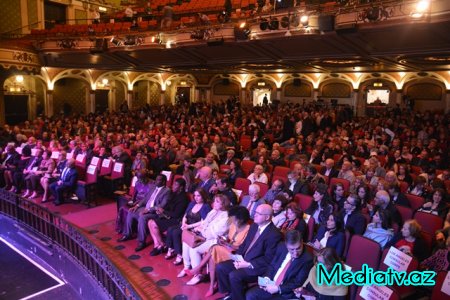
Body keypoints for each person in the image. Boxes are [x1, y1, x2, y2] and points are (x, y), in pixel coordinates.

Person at [216, 204, 282, 300]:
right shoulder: (254, 226)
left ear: (267, 217)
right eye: (255, 212)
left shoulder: (274, 234)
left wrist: (248, 264)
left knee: (234, 275)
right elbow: (244, 245)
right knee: (221, 267)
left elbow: (268, 259)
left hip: (256, 267)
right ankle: (230, 294)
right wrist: (237, 257)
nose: (254, 215)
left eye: (258, 214)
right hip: (243, 259)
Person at [186, 206, 250, 296]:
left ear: (242, 219)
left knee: (214, 248)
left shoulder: (248, 229)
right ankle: (211, 286)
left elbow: (242, 248)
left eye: (234, 219)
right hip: (226, 249)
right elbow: (228, 237)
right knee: (213, 255)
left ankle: (199, 269)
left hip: (236, 254)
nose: (233, 221)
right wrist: (223, 240)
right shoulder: (233, 225)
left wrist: (227, 244)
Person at [246, 230, 314, 300]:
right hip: (271, 284)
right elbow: (272, 266)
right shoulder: (281, 247)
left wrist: (278, 288)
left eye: (298, 248)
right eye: (292, 249)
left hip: (284, 292)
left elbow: (297, 282)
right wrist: (267, 278)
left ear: (302, 242)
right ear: (286, 245)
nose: (295, 253)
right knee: (250, 295)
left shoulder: (307, 259)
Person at [178, 194, 230, 285]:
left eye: (217, 201)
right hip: (204, 235)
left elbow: (214, 233)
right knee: (186, 242)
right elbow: (204, 222)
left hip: (215, 241)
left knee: (194, 249)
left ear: (223, 204)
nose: (214, 203)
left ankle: (197, 275)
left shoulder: (226, 217)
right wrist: (197, 228)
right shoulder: (213, 211)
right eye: (214, 200)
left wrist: (202, 229)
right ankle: (186, 267)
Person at [117, 174, 171, 252]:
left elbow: (162, 205)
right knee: (131, 211)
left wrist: (148, 210)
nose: (156, 181)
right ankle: (127, 234)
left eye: (158, 180)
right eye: (156, 179)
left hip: (155, 212)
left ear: (163, 181)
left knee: (143, 217)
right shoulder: (153, 187)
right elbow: (145, 199)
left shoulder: (167, 191)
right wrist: (137, 206)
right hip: (145, 208)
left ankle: (141, 242)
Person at [165, 188, 211, 265]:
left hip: (194, 228)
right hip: (186, 224)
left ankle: (179, 254)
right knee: (170, 229)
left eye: (198, 196)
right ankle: (171, 248)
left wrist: (188, 226)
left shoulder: (205, 206)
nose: (196, 197)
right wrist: (183, 224)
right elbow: (185, 215)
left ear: (203, 196)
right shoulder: (192, 204)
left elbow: (203, 222)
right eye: (195, 195)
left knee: (176, 232)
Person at [147, 178, 190, 256]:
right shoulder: (173, 194)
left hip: (176, 220)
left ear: (181, 187)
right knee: (150, 222)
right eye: (173, 184)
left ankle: (162, 245)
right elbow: (168, 206)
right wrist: (161, 211)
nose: (173, 186)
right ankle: (157, 245)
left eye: (175, 185)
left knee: (153, 224)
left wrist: (163, 211)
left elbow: (177, 214)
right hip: (168, 217)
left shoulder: (183, 198)